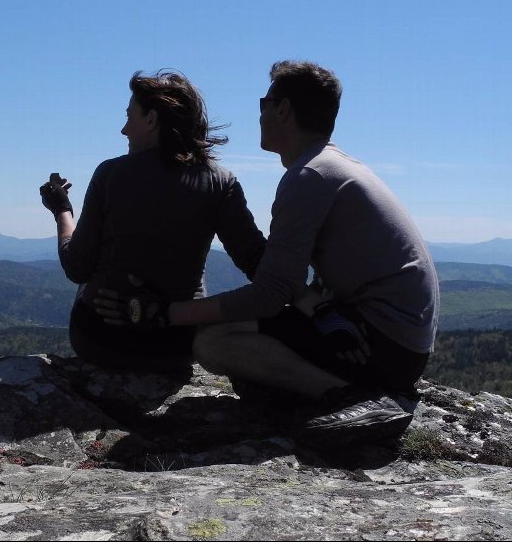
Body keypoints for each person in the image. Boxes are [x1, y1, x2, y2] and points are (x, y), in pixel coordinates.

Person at [94, 61, 439, 446]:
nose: (259, 113)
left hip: (380, 345)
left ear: (282, 109)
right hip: (390, 338)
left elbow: (269, 294)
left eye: (264, 101)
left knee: (212, 343)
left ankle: (352, 397)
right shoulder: (333, 168)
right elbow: (282, 276)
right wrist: (317, 307)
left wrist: (164, 314)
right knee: (248, 357)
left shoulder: (309, 177)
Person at [38, 70, 266, 373]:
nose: (123, 130)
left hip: (101, 340)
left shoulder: (110, 174)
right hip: (176, 347)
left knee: (90, 283)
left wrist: (61, 210)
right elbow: (259, 266)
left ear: (151, 120)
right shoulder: (220, 182)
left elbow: (76, 266)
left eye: (130, 116)